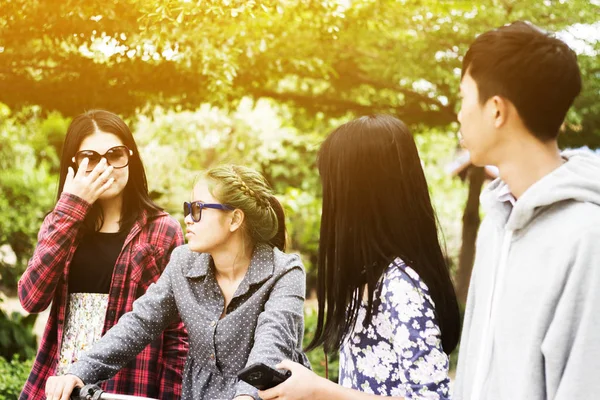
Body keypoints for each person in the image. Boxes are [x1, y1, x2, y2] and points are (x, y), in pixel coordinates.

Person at [45, 164, 310, 400]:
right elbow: (138, 324)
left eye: (197, 209)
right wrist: (79, 372)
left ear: (235, 219)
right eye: (187, 208)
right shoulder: (183, 262)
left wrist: (247, 396)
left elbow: (272, 344)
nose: (187, 218)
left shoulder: (284, 271)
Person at [260, 114, 461, 400]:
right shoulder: (368, 279)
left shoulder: (400, 286)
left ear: (359, 196)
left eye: (332, 186)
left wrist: (319, 390)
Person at [452, 22, 600, 399]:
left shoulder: (587, 237)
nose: (459, 114)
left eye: (464, 98)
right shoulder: (497, 221)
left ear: (497, 111)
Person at [18, 110, 188, 399]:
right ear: (74, 163)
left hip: (127, 383)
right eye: (91, 157)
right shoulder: (60, 223)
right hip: (60, 382)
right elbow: (31, 298)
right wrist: (73, 206)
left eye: (115, 154)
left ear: (130, 157)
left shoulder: (163, 230)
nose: (105, 167)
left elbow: (178, 332)